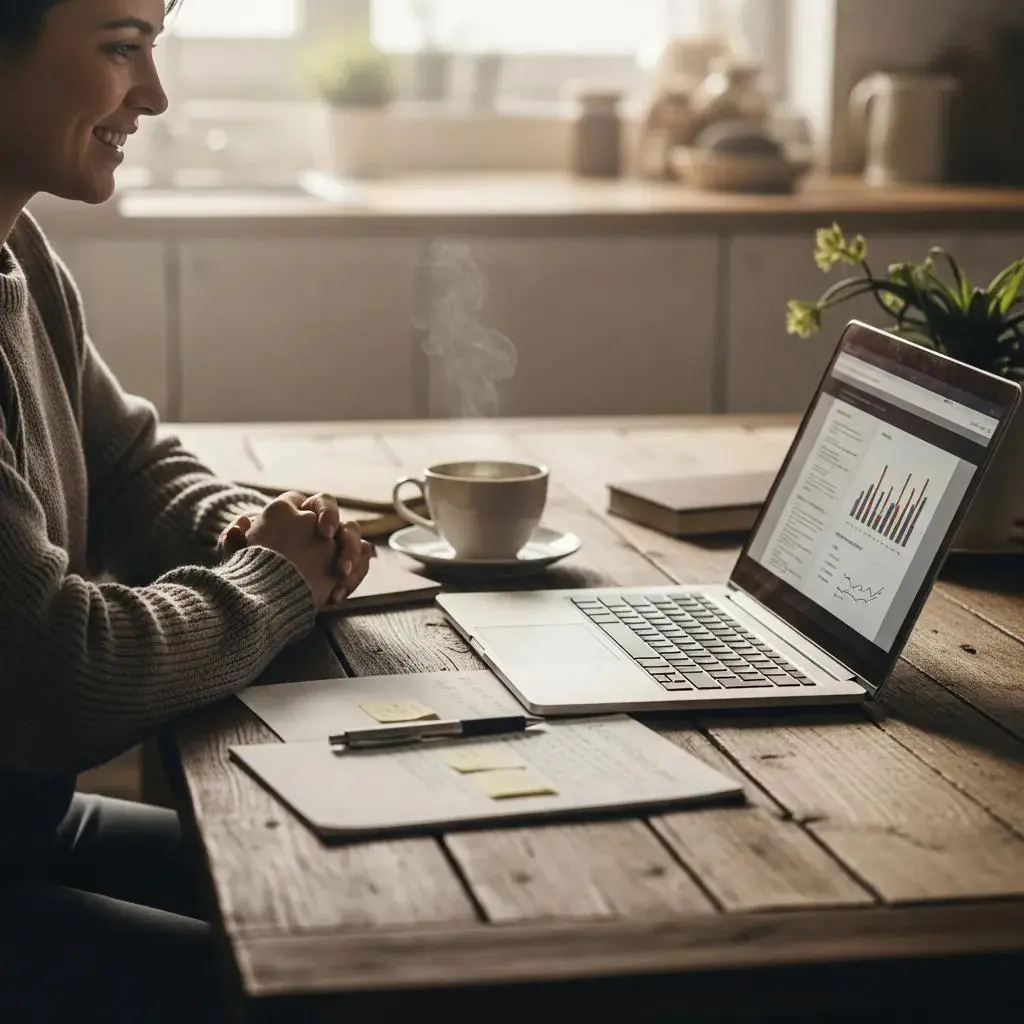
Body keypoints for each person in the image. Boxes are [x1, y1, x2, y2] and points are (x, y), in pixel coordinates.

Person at [0, 1, 374, 1019]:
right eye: (123, 48)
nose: (154, 97)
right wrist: (276, 582)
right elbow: (62, 671)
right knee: (319, 982)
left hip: (24, 822)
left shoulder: (16, 249)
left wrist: (238, 530)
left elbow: (127, 463)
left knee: (360, 906)